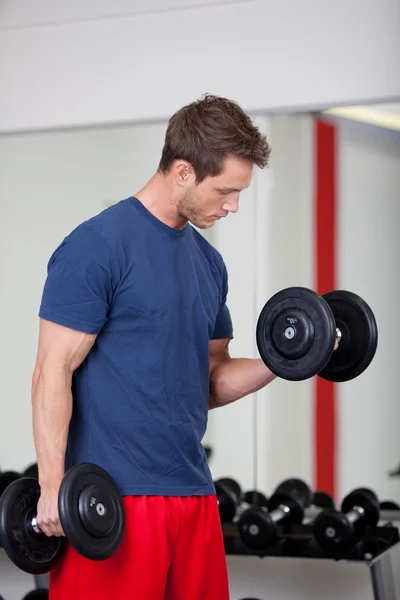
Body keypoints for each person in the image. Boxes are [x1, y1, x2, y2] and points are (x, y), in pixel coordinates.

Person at [32, 93, 274, 600]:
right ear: (183, 171)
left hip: (194, 496)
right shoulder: (98, 246)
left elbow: (211, 378)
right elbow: (51, 370)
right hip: (114, 501)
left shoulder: (209, 265)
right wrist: (53, 485)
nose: (233, 206)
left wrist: (289, 359)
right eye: (226, 190)